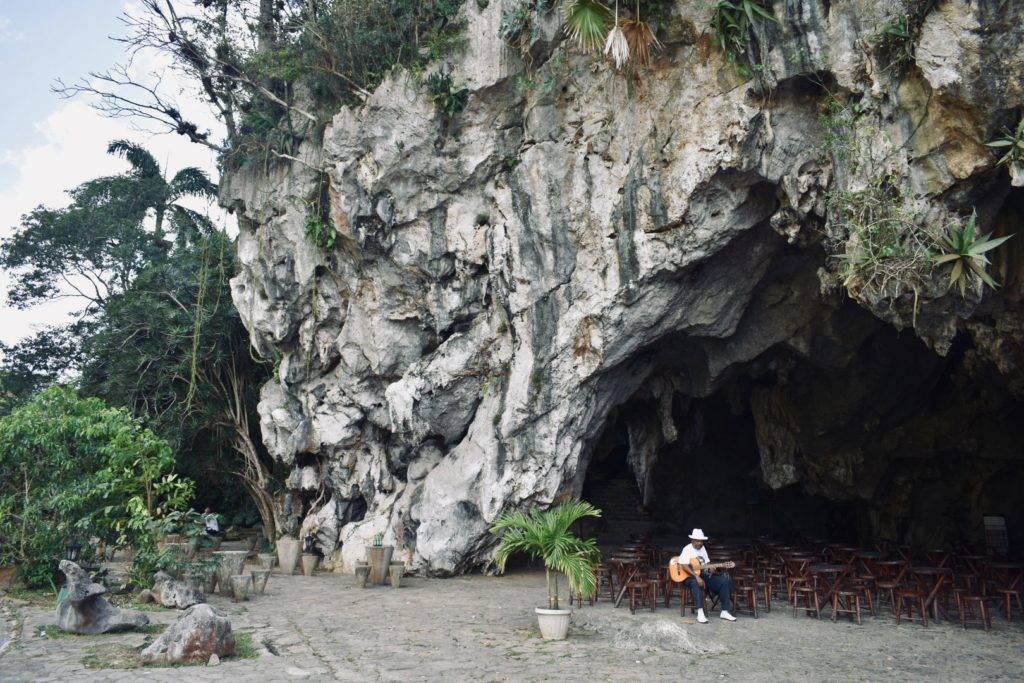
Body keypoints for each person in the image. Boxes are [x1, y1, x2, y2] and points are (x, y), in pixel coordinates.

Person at [678, 528, 736, 623]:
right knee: (696, 582)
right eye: (697, 541)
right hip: (689, 577)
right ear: (692, 540)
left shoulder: (703, 548)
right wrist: (696, 576)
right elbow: (683, 565)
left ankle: (725, 611)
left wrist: (711, 568)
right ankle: (700, 612)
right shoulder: (687, 549)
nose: (700, 543)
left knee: (724, 581)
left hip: (702, 574)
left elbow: (706, 564)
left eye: (701, 541)